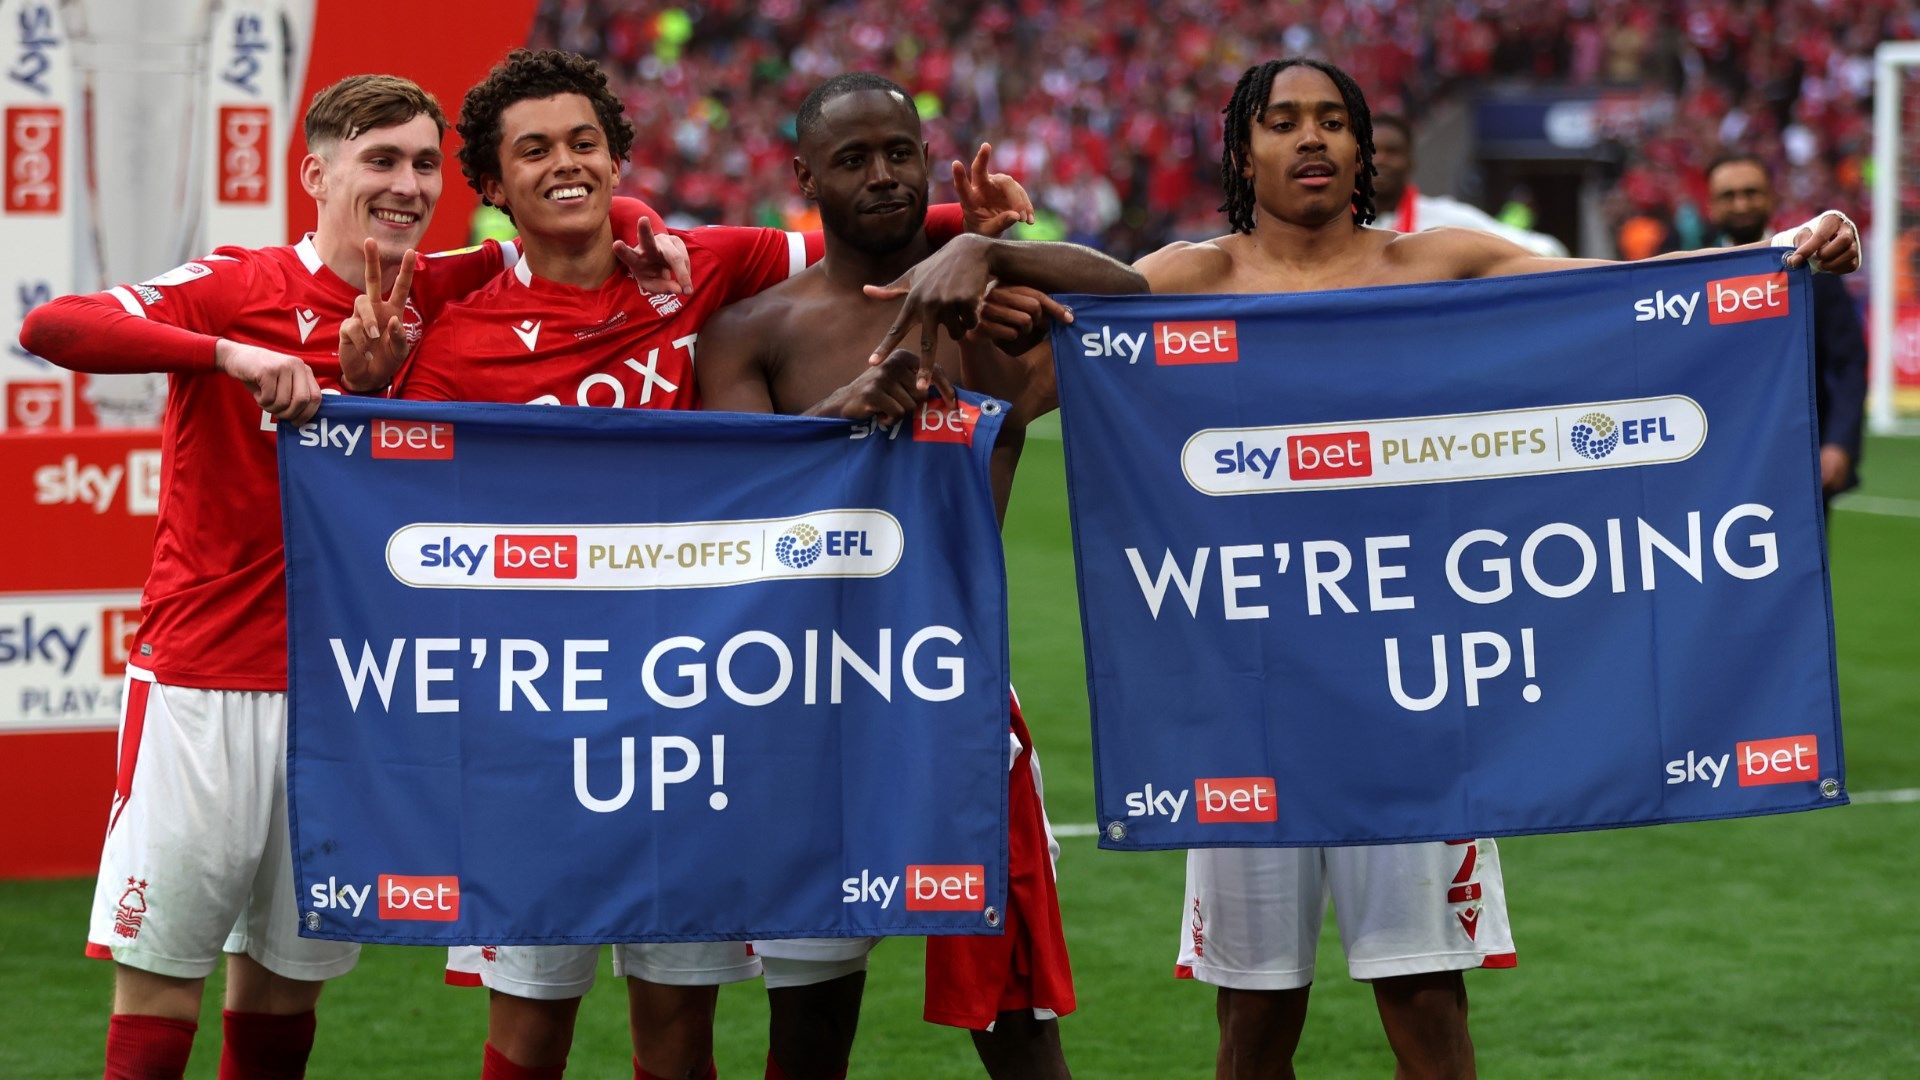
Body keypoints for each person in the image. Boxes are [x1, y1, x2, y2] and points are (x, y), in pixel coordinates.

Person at [880, 55, 1858, 1080]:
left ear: (1361, 150)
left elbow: (1616, 301)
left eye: (1333, 121)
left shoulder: (1435, 264)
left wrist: (1776, 255)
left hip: (1415, 698)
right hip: (1247, 698)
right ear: (1241, 150)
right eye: (1283, 121)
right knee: (1254, 1025)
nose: (1311, 138)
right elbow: (1014, 399)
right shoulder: (1180, 280)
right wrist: (1009, 268)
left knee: (1426, 1008)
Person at [366, 51, 1032, 1080]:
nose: (566, 164)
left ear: (618, 157)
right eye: (534, 150)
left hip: (693, 705)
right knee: (530, 1026)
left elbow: (863, 220)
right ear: (493, 188)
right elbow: (400, 518)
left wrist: (976, 226)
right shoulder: (456, 347)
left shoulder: (707, 264)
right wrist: (369, 397)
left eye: (585, 141)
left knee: (679, 1029)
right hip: (547, 716)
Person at [16, 73, 572, 1080]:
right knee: (161, 976)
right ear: (316, 173)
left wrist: (646, 214)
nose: (406, 185)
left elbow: (576, 218)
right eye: (379, 160)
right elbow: (52, 326)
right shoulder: (240, 285)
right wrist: (223, 355)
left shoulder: (442, 287)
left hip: (352, 696)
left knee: (282, 987)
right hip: (204, 684)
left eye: (420, 164)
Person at [695, 72, 1144, 1080]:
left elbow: (1142, 303)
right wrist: (842, 415)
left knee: (1021, 1034)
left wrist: (991, 247)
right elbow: (729, 521)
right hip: (804, 708)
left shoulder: (999, 309)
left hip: (956, 701)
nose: (884, 174)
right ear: (805, 175)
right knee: (808, 1042)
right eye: (853, 158)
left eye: (900, 152)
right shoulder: (752, 333)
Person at [1705, 152, 1868, 503]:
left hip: (1803, 457)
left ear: (1771, 196)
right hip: (1715, 459)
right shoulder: (1691, 274)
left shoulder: (1815, 269)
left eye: (1751, 192)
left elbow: (1847, 362)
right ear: (1710, 205)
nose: (1741, 203)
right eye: (1728, 196)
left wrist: (1838, 444)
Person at [1370, 114, 1569, 257]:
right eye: (1371, 151)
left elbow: (1548, 249)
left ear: (1411, 161)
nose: (1380, 159)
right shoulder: (1340, 226)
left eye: (1393, 151)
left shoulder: (1445, 219)